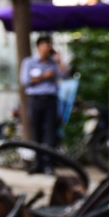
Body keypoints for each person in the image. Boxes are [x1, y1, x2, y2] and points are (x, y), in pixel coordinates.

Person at [20, 35, 66, 172]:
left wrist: (59, 61)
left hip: (50, 100)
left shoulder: (53, 64)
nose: (47, 48)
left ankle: (49, 165)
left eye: (49, 46)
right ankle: (38, 164)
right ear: (38, 47)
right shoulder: (29, 62)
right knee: (36, 132)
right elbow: (25, 81)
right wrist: (44, 77)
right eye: (45, 45)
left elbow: (65, 75)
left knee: (50, 133)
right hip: (35, 100)